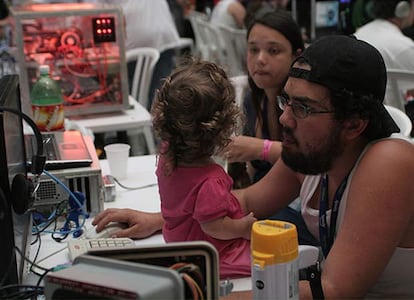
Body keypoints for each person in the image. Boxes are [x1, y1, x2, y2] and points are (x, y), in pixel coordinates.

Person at [93, 35, 414, 298]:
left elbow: (333, 290)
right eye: (286, 101)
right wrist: (164, 218)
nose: (285, 118)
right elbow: (243, 202)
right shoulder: (311, 153)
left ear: (354, 124)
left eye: (302, 107)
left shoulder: (389, 161)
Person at [152, 59, 256, 279]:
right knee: (269, 263)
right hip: (211, 255)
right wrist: (243, 228)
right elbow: (214, 227)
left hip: (177, 245)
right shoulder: (212, 180)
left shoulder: (167, 155)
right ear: (222, 127)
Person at [225, 9, 304, 185]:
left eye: (273, 50)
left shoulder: (305, 107)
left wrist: (262, 149)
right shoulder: (252, 100)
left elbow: (309, 158)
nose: (260, 59)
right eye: (253, 49)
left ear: (296, 56)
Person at [354, 0, 414, 111]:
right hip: (401, 121)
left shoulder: (359, 34)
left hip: (367, 118)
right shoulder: (404, 47)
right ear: (403, 8)